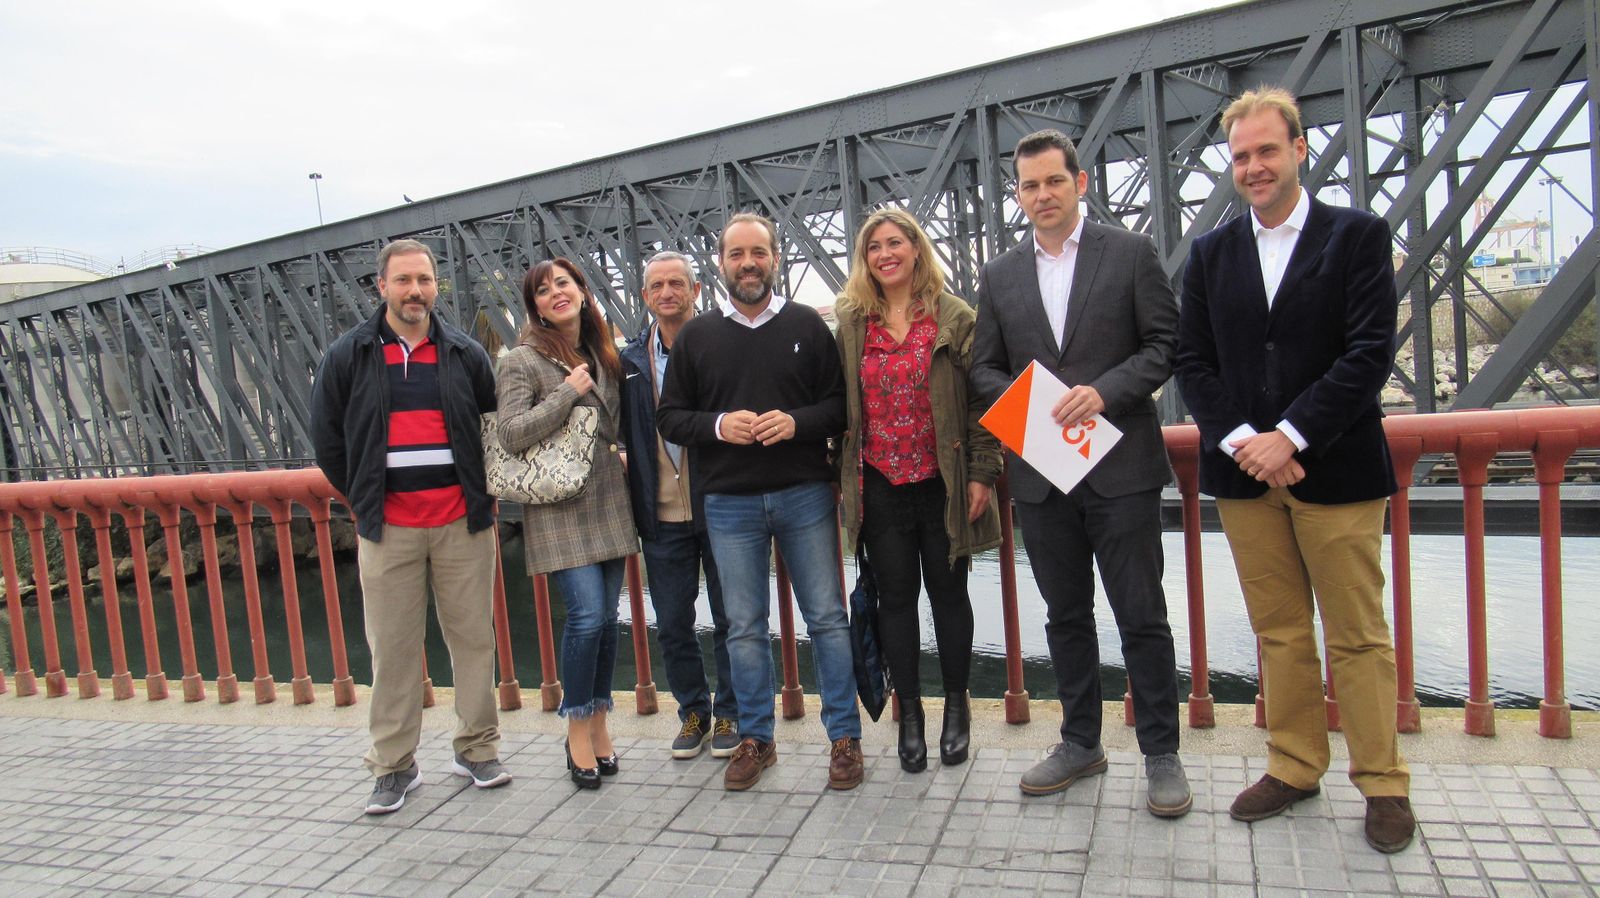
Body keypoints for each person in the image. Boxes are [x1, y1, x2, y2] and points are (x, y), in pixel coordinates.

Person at [1174, 86, 1412, 852]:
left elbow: (1370, 353)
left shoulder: (1357, 236)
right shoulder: (1210, 253)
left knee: (1358, 636)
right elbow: (1193, 363)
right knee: (1279, 631)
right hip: (1245, 476)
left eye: (1267, 151)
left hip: (1336, 470)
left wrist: (1294, 435)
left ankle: (1382, 783)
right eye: (1241, 156)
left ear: (1300, 150)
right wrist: (1250, 439)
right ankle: (1296, 764)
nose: (1254, 167)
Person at [970, 129, 1190, 817]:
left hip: (1120, 470)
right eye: (1029, 186)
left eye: (1053, 183)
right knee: (1065, 617)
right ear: (1018, 194)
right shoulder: (1000, 274)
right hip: (1042, 476)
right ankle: (1080, 742)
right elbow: (981, 367)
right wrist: (1030, 412)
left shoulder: (1130, 254)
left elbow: (1165, 345)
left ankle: (1161, 754)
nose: (1042, 196)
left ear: (1080, 183)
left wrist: (1106, 392)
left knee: (1141, 617)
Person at [656, 212, 864, 792]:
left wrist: (795, 423)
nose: (748, 263)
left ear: (776, 259)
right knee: (744, 626)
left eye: (759, 253)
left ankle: (843, 739)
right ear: (720, 264)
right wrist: (721, 424)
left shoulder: (806, 325)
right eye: (736, 254)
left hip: (804, 494)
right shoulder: (696, 336)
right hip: (729, 503)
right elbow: (669, 415)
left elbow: (840, 405)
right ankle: (756, 738)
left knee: (827, 618)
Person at [310, 238, 510, 815]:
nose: (416, 291)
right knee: (393, 648)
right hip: (389, 526)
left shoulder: (465, 353)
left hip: (462, 522)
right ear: (382, 286)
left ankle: (477, 748)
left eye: (425, 280)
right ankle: (393, 766)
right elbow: (327, 437)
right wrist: (365, 495)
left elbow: (491, 429)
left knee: (472, 640)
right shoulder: (349, 354)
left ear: (435, 286)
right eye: (404, 281)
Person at [834, 208, 1002, 773]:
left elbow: (982, 401)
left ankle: (957, 705)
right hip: (880, 484)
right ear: (865, 261)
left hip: (944, 483)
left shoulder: (955, 317)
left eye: (895, 242)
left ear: (915, 248)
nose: (885, 254)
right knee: (896, 604)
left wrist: (982, 471)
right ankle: (911, 717)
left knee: (950, 597)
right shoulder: (853, 323)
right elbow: (841, 409)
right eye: (874, 247)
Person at [496, 257, 637, 790]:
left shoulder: (603, 353)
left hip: (607, 498)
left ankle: (600, 723)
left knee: (605, 621)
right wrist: (565, 393)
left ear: (581, 290)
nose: (556, 292)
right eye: (542, 289)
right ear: (533, 305)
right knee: (586, 616)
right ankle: (577, 728)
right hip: (557, 507)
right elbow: (510, 433)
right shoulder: (522, 361)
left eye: (564, 283)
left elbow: (615, 425)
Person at [619, 250, 740, 760]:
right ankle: (694, 710)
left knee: (733, 616)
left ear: (694, 289)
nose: (667, 293)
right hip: (661, 512)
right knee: (671, 621)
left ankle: (732, 711)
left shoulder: (720, 344)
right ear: (645, 297)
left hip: (721, 505)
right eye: (657, 286)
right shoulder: (627, 363)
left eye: (677, 283)